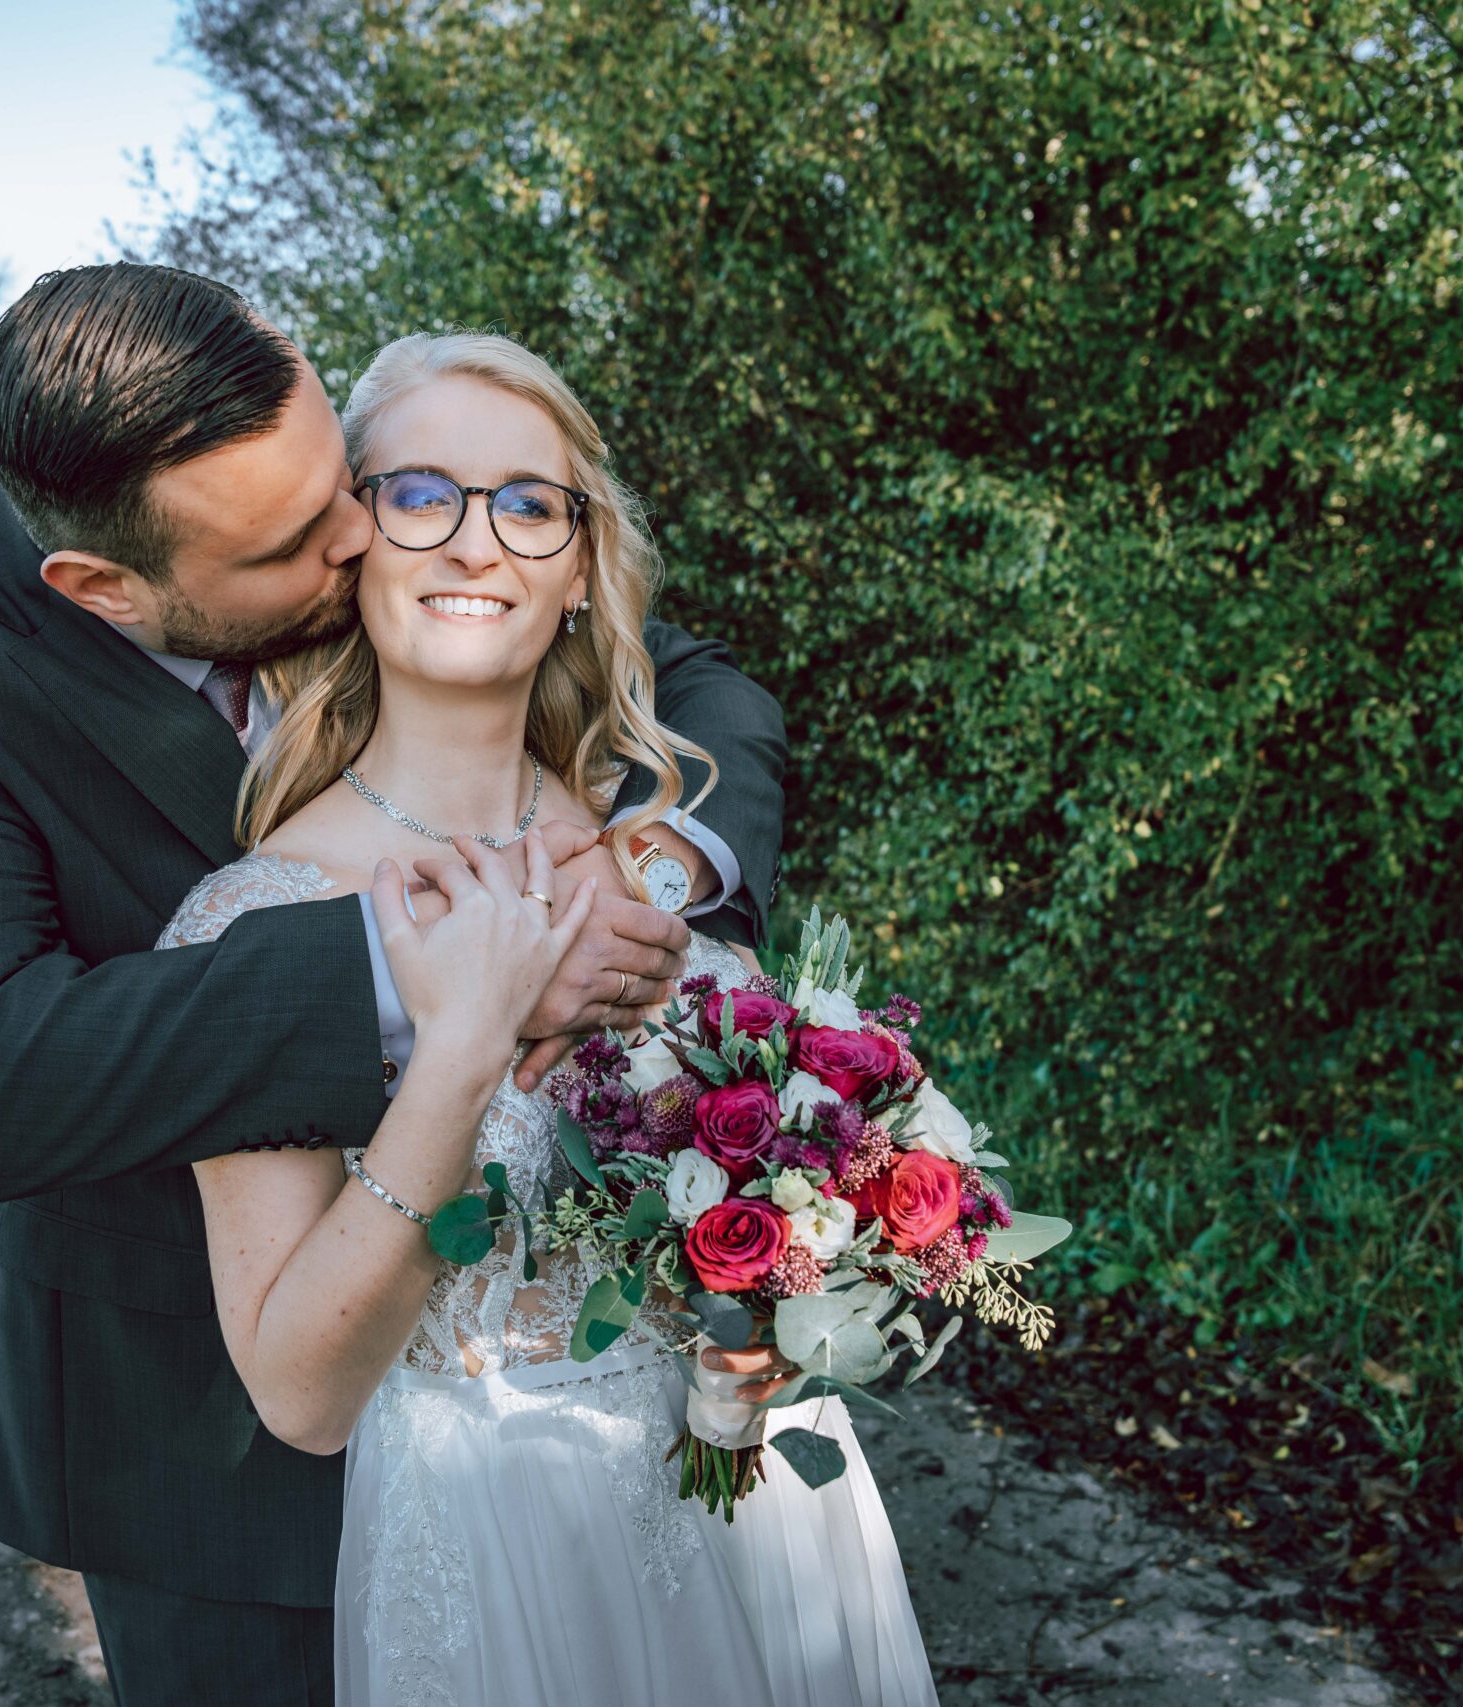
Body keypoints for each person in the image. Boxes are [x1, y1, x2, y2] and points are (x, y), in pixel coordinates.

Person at [0, 264, 788, 1702]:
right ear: (106, 591)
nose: (366, 537)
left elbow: (692, 678)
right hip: (191, 1436)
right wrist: (442, 969)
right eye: (300, 540)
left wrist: (664, 871)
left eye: (353, 485)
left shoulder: (355, 502)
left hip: (580, 1429)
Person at [155, 330, 938, 1706]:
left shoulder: (663, 864)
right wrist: (463, 1042)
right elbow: (302, 1395)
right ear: (355, 544)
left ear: (578, 570)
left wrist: (816, 1263)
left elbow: (747, 1215)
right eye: (419, 494)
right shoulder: (248, 923)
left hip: (756, 1513)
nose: (477, 544)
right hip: (493, 1546)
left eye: (528, 503)